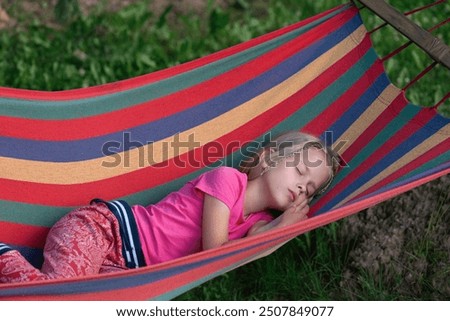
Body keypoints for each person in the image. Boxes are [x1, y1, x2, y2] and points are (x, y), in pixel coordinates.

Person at [0, 131, 339, 283]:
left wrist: (281, 230)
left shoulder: (260, 222)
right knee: (61, 299)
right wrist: (275, 230)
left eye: (309, 188)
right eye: (299, 171)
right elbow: (216, 252)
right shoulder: (228, 181)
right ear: (267, 159)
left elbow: (253, 250)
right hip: (105, 231)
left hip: (130, 270)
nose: (300, 186)